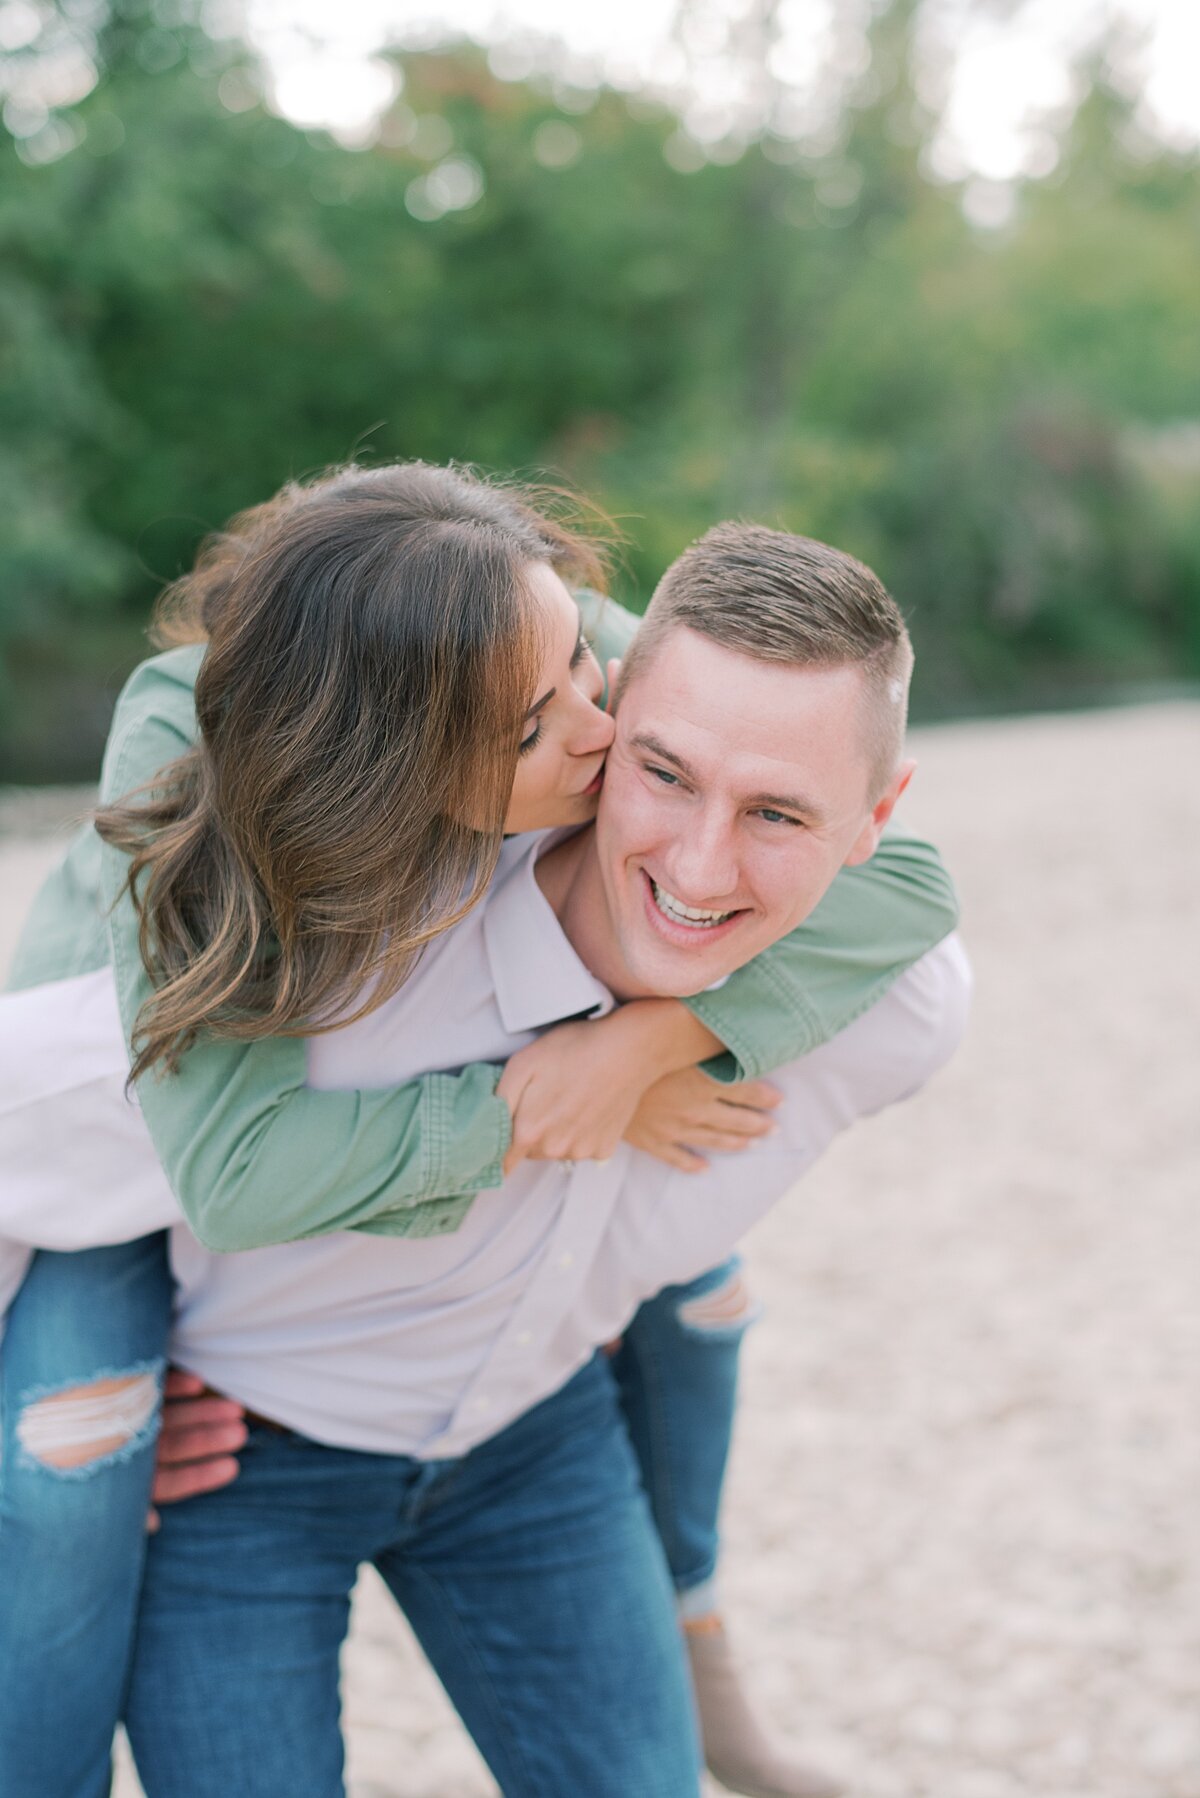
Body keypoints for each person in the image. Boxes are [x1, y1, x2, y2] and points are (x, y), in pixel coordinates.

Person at [0, 469, 957, 1798]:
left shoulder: (576, 670)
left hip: (517, 1425)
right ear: (400, 775)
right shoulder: (238, 881)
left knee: (696, 1280)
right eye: (530, 729)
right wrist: (531, 1109)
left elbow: (909, 886)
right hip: (120, 1252)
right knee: (68, 1452)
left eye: (585, 671)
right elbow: (229, 1175)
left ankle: (697, 1620)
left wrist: (652, 1042)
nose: (593, 733)